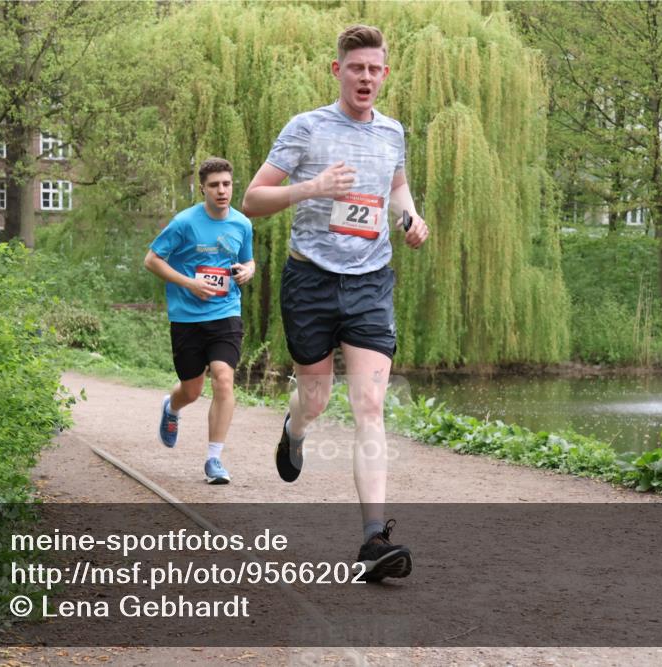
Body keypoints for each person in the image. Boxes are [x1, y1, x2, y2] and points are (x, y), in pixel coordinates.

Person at [241, 25, 429, 581]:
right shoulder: (306, 128)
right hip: (312, 280)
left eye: (375, 69)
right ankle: (294, 428)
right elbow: (253, 199)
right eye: (356, 68)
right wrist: (311, 188)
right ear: (337, 71)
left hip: (371, 280)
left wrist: (409, 219)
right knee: (317, 399)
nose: (365, 77)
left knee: (370, 407)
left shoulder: (392, 133)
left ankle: (374, 539)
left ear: (385, 75)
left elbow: (395, 189)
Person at [144, 157, 255, 484]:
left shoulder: (242, 224)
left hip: (226, 313)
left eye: (227, 184)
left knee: (223, 378)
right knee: (191, 390)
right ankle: (172, 407)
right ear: (202, 188)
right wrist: (190, 282)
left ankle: (213, 460)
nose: (222, 191)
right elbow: (151, 260)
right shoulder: (183, 223)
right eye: (214, 185)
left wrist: (249, 270)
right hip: (187, 317)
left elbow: (247, 259)